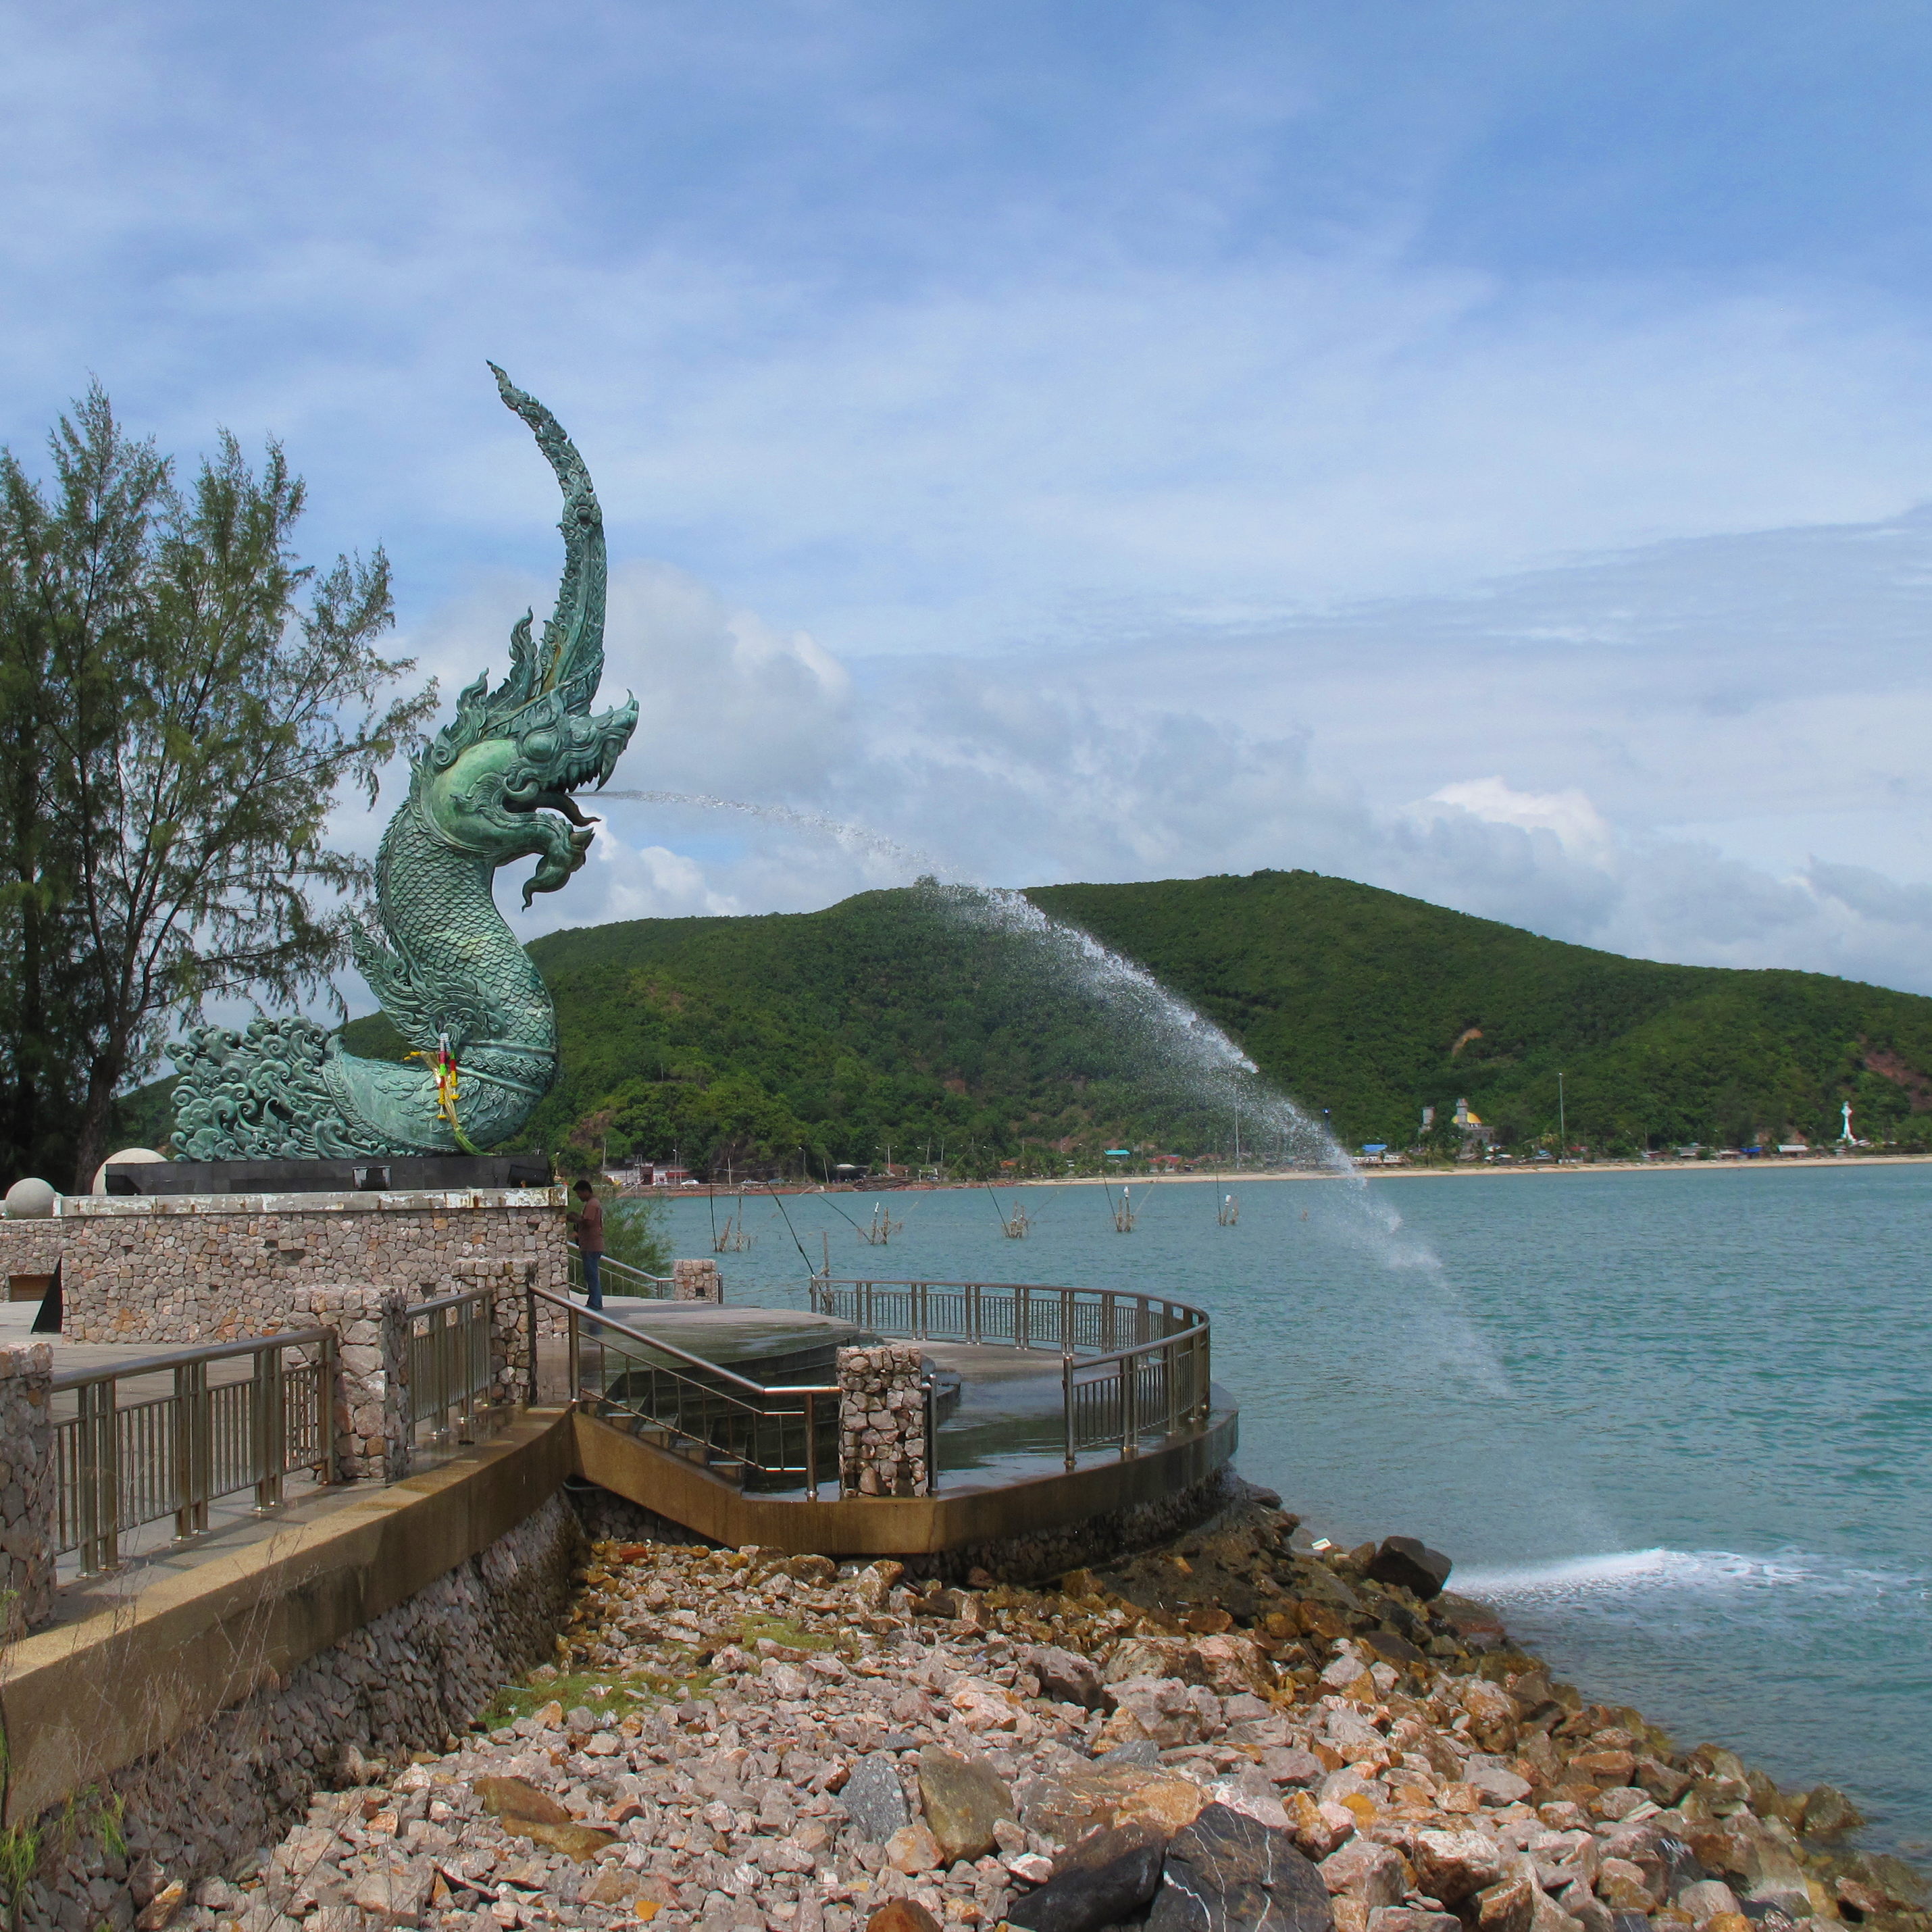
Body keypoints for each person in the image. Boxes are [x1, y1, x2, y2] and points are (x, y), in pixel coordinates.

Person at [572, 1178, 605, 1311]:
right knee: (590, 1274)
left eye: (580, 1193)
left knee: (591, 1275)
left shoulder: (592, 1204)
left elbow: (588, 1222)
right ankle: (594, 1301)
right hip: (590, 1245)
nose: (579, 1197)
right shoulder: (592, 1203)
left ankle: (595, 1303)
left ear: (586, 1191)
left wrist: (575, 1219)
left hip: (591, 1246)